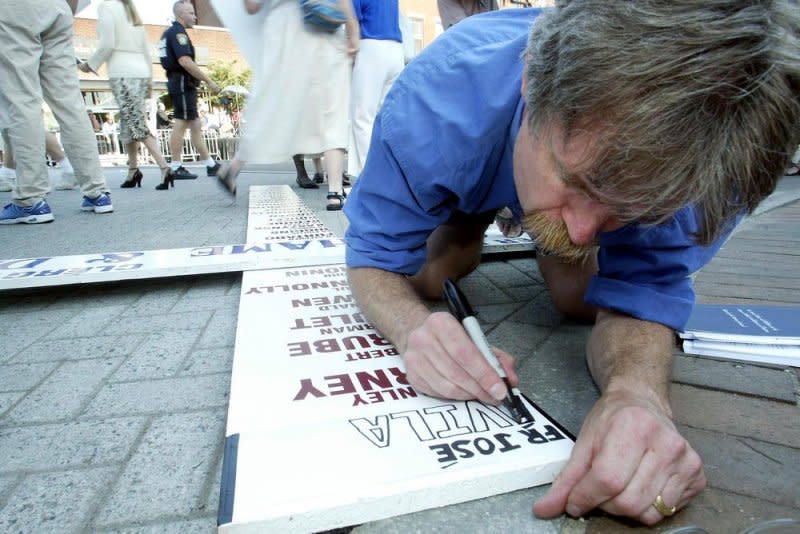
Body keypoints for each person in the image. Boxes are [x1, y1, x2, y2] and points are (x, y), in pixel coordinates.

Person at [343, 3, 799, 526]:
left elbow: (644, 292)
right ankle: (473, 215)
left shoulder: (715, 154)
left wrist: (637, 394)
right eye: (579, 183)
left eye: (623, 208)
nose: (584, 233)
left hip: (541, 143)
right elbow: (371, 257)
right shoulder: (436, 102)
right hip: (473, 146)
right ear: (530, 78)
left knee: (577, 297)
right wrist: (410, 329)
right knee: (434, 274)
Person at [216, 0, 358, 211]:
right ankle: (335, 191)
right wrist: (353, 30)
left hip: (285, 32)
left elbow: (252, 6)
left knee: (272, 107)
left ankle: (234, 167)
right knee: (333, 108)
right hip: (326, 27)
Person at [0, 0, 113, 225]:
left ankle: (30, 199)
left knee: (22, 98)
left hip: (13, 9)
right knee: (69, 102)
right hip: (58, 8)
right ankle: (97, 192)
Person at [80, 0, 175, 190]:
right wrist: (149, 80)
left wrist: (89, 64)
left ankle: (165, 167)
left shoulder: (107, 8)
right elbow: (145, 51)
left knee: (135, 123)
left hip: (122, 72)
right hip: (139, 72)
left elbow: (107, 43)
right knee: (127, 122)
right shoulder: (132, 12)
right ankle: (133, 171)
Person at [159, 1, 221, 181]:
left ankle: (210, 164)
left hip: (180, 82)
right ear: (180, 15)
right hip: (182, 82)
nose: (195, 17)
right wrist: (209, 80)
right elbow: (185, 61)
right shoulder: (178, 33)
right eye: (191, 13)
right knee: (181, 123)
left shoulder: (167, 33)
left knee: (195, 126)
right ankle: (176, 166)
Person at [346, 0, 404, 180]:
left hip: (371, 47)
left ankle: (370, 179)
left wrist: (353, 51)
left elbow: (352, 19)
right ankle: (389, 177)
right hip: (396, 50)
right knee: (385, 120)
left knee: (362, 117)